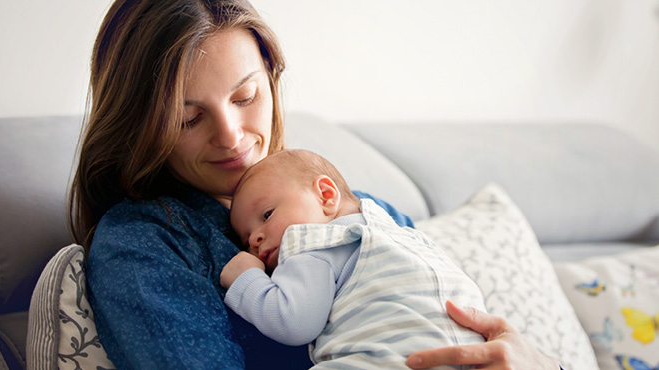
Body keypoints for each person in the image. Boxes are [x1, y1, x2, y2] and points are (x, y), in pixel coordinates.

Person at [68, 0, 562, 369]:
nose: (231, 136)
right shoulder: (147, 242)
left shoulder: (368, 212)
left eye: (245, 96)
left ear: (271, 80)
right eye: (187, 119)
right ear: (141, 125)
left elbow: (460, 326)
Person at [220, 149, 487, 369]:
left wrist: (246, 278)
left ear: (326, 195)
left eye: (266, 215)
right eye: (246, 240)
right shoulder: (397, 232)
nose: (255, 239)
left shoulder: (312, 242)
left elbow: (293, 322)